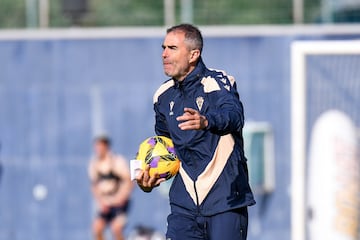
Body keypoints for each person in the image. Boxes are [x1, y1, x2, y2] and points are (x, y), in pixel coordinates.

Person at [136, 24, 256, 240]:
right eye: (163, 47)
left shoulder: (218, 82)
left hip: (225, 202)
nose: (164, 54)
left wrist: (207, 121)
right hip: (184, 207)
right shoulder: (163, 96)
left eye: (172, 48)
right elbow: (164, 146)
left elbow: (235, 117)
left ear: (194, 54)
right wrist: (148, 178)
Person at [89, 135, 133, 240]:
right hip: (106, 203)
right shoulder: (94, 163)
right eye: (96, 147)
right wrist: (101, 202)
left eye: (100, 146)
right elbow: (94, 185)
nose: (98, 149)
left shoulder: (117, 161)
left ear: (106, 146)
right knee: (97, 228)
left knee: (116, 229)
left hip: (119, 202)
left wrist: (122, 198)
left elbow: (129, 181)